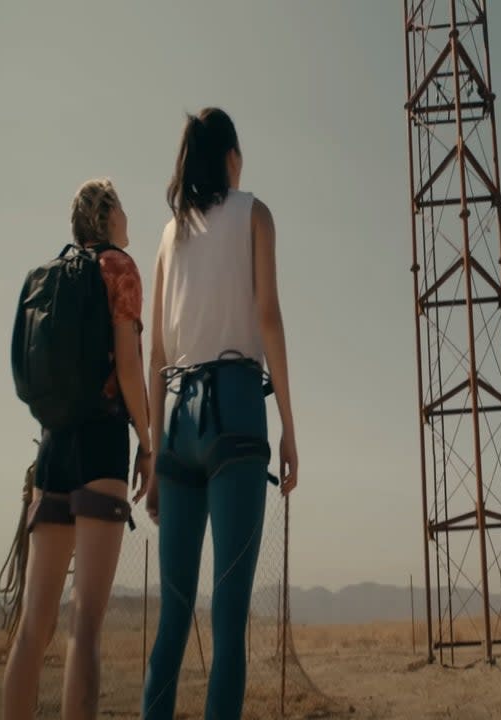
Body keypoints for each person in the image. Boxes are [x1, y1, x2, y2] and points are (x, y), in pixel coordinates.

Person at [142, 108, 298, 719]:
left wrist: (152, 452)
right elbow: (269, 317)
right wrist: (288, 423)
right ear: (231, 156)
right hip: (237, 409)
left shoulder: (166, 235)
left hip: (178, 417)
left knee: (173, 615)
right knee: (227, 613)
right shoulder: (255, 213)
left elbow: (155, 352)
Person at [3, 178, 151, 720]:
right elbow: (130, 366)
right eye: (123, 206)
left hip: (52, 448)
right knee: (84, 623)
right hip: (101, 442)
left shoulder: (47, 277)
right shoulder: (120, 268)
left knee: (33, 626)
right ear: (109, 214)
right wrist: (147, 440)